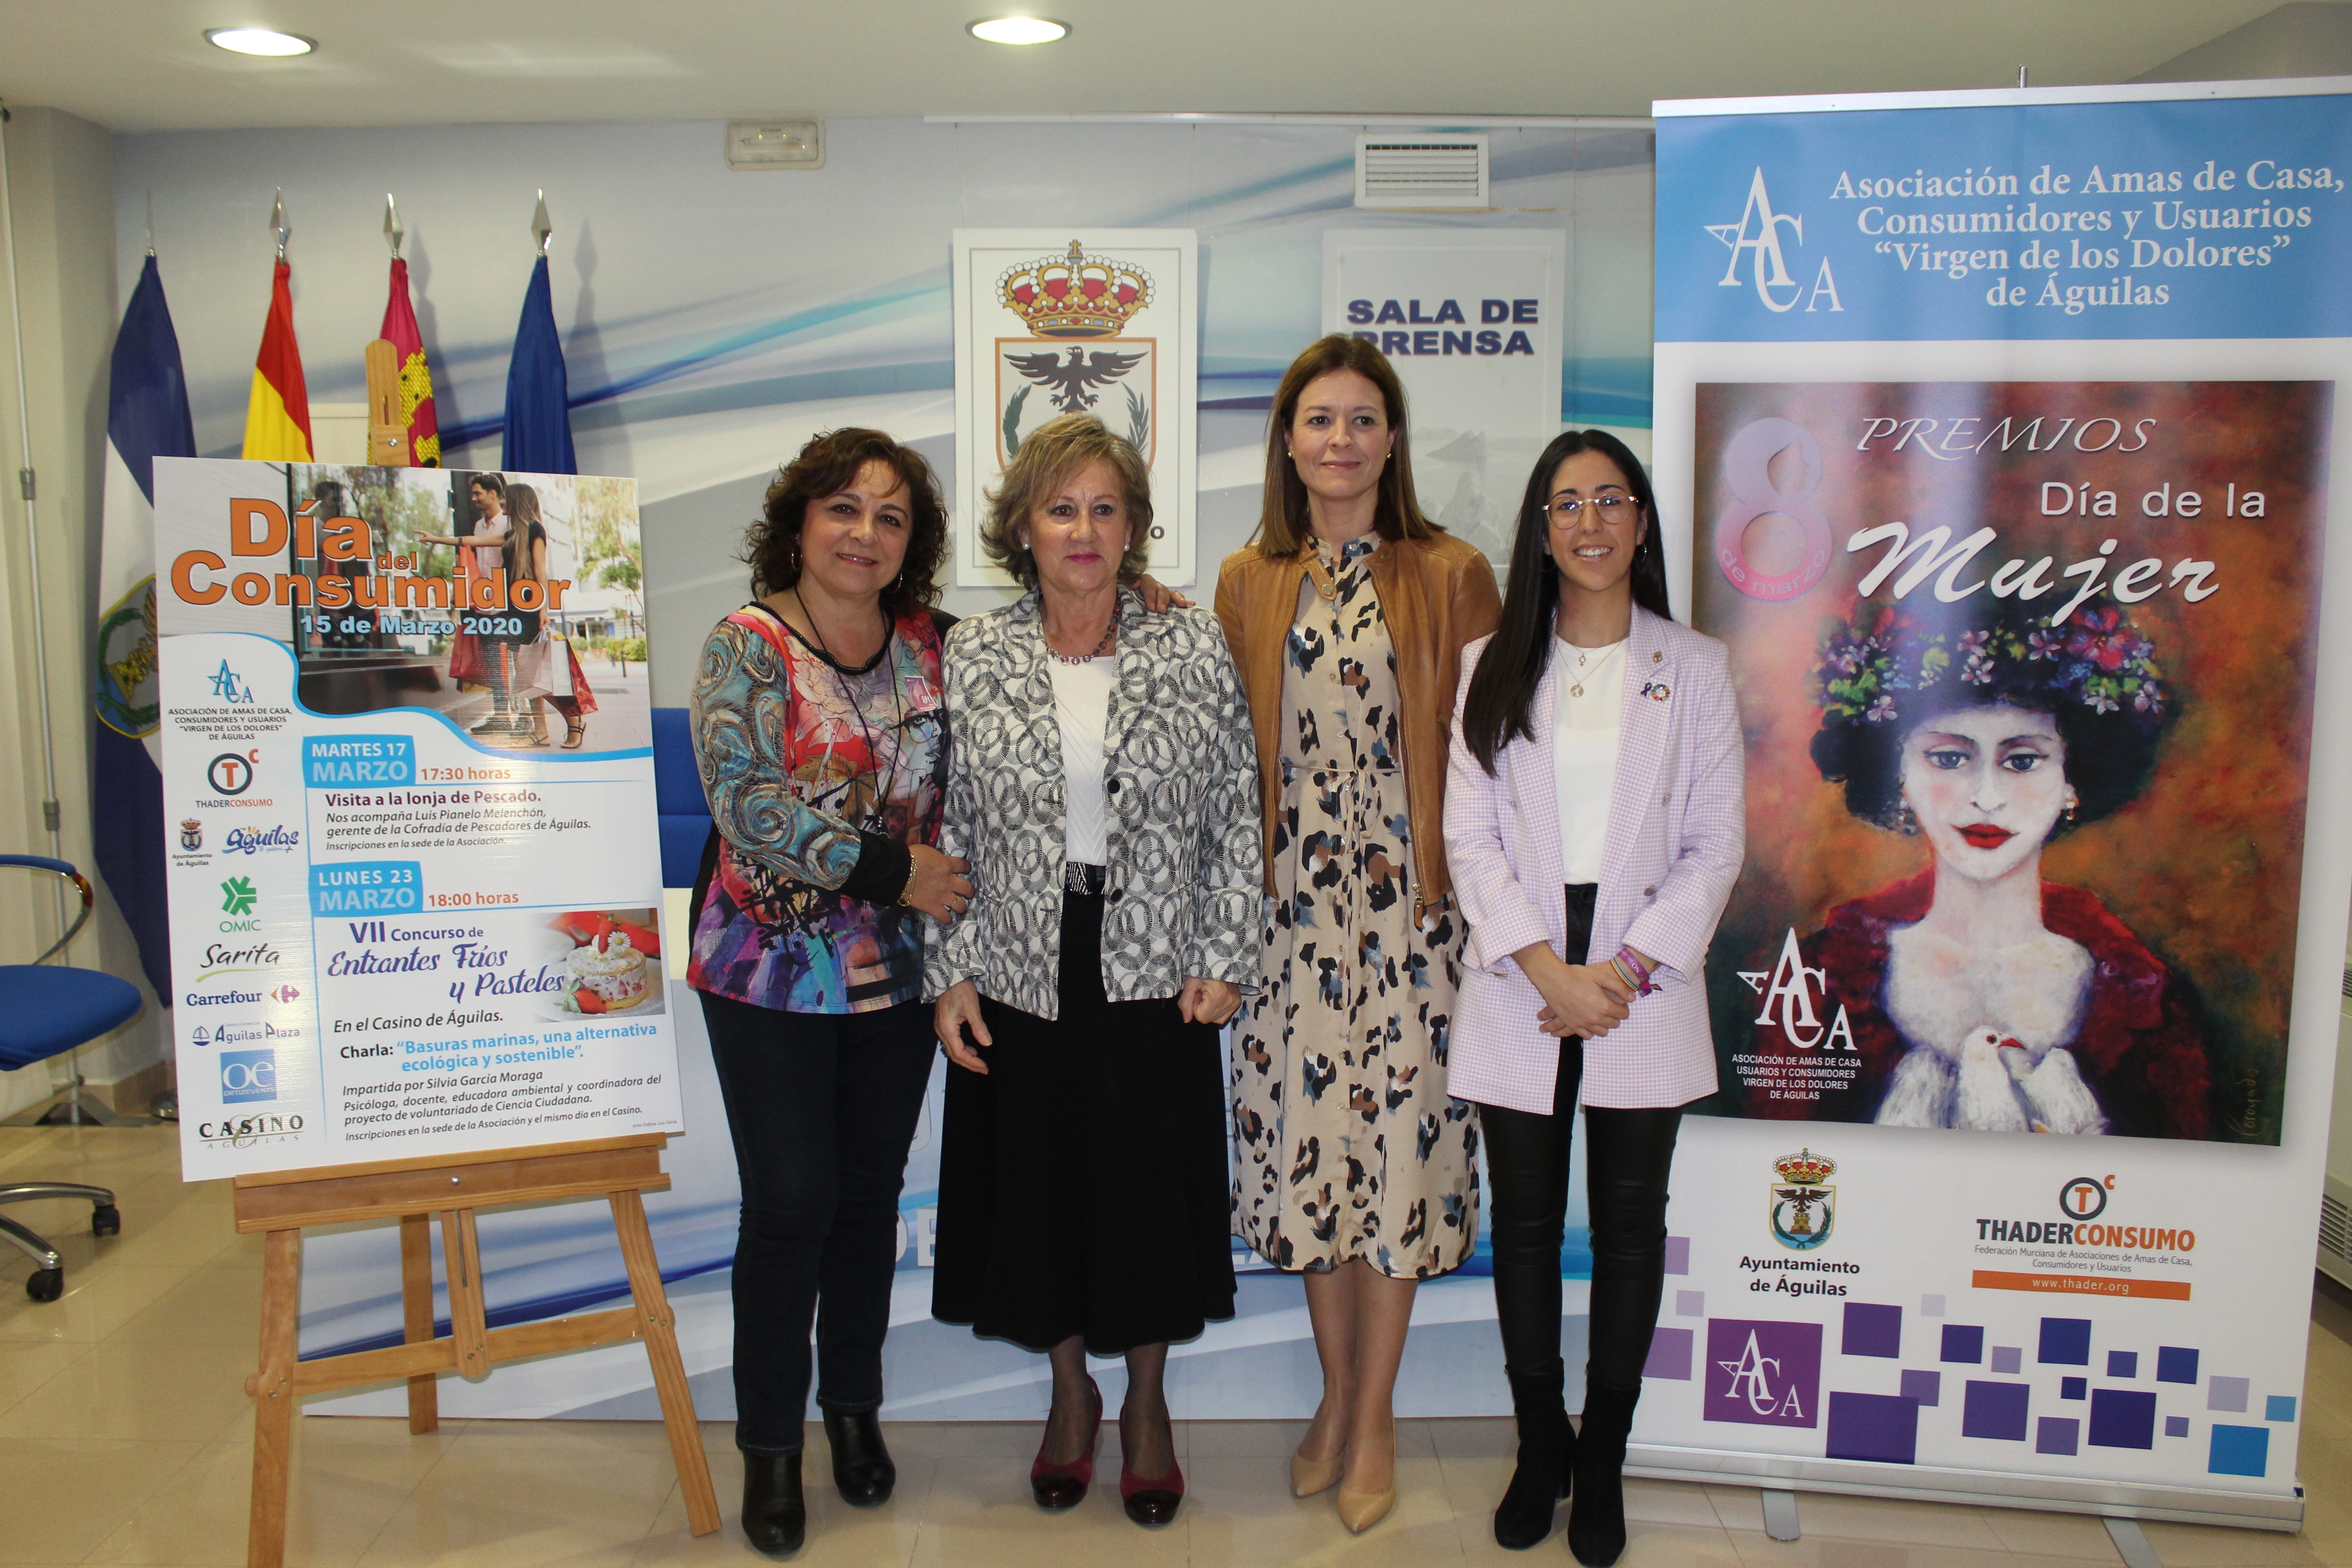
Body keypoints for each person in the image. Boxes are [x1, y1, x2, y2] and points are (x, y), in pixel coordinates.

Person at [928, 413, 1259, 1531]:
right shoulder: (972, 654)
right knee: (1041, 1191)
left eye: (1104, 507)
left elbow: (1232, 811)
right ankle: (1071, 1394)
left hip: (1155, 962)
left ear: (1134, 528)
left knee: (1145, 1193)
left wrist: (1224, 953)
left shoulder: (1189, 641)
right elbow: (949, 825)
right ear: (1022, 525)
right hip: (1023, 961)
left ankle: (1150, 1404)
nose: (1082, 527)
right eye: (1060, 506)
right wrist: (952, 970)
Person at [1215, 334, 1501, 1534]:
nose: (1340, 439)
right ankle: (1333, 1400)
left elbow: (1495, 762)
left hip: (1413, 926)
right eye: (1318, 419)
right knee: (1309, 1172)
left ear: (1392, 439)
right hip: (1285, 929)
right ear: (1288, 442)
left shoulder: (1453, 571)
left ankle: (1375, 1416)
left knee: (1397, 1173)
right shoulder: (1246, 580)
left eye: (1363, 418)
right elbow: (1227, 767)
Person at [1444, 429, 1744, 1564]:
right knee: (1522, 1232)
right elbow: (1465, 835)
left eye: (1609, 499)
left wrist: (1616, 972)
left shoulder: (1696, 666)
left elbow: (1716, 846)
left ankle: (1603, 1453)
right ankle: (1538, 1444)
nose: (1589, 522)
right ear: (1539, 528)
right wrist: (1543, 964)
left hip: (1640, 977)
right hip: (1520, 966)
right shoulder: (1490, 663)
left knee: (1627, 1232)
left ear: (1639, 521)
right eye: (1565, 503)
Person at [685, 428, 974, 1556]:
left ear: (913, 542)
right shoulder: (746, 644)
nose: (865, 533)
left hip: (891, 976)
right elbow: (747, 804)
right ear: (799, 521)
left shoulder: (934, 645)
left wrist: (1138, 593)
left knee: (866, 1199)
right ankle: (768, 1443)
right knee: (792, 1200)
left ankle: (852, 1411)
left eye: (890, 516)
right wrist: (897, 869)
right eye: (844, 509)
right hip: (763, 970)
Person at [1749, 594, 2203, 1137]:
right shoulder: (1819, 978)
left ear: (2071, 783)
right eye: (1948, 758)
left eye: (2022, 761)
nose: (1987, 797)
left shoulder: (2143, 1000)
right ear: (1900, 775)